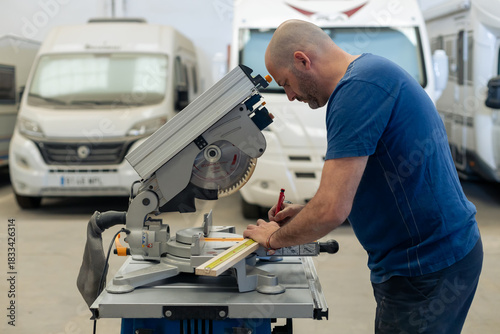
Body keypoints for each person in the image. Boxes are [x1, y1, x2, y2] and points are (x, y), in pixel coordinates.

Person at [243, 19, 482, 333]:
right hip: (435, 257)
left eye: (287, 83)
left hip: (426, 266)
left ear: (303, 61)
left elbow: (331, 208)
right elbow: (364, 184)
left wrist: (273, 239)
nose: (288, 95)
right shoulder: (369, 73)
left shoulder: (356, 92)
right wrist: (305, 214)